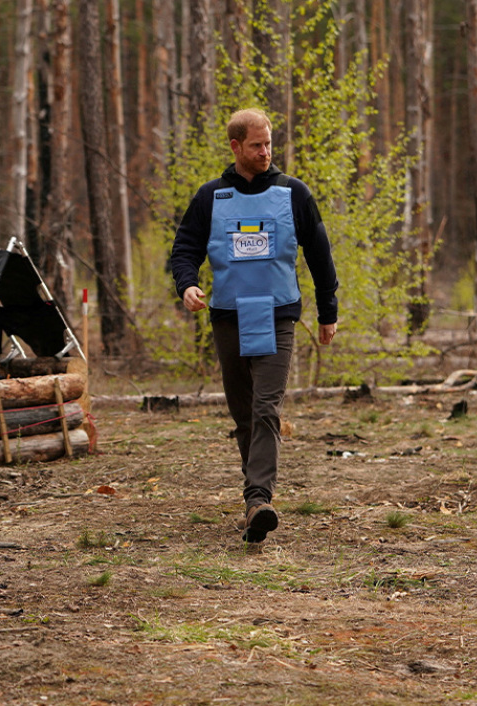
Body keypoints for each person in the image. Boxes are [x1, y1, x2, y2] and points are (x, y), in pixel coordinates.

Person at [169, 108, 339, 543]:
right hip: (228, 316)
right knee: (244, 415)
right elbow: (184, 250)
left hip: (278, 314)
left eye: (269, 144)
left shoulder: (293, 194)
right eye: (256, 145)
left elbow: (320, 256)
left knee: (266, 409)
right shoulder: (211, 198)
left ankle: (259, 499)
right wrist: (187, 286)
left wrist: (327, 311)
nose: (265, 152)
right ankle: (254, 505)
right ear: (235, 147)